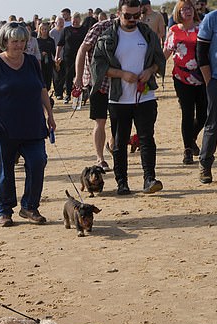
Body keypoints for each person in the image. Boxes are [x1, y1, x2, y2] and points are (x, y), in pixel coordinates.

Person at [0, 22, 55, 227]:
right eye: (14, 41)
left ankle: (30, 206)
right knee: (4, 170)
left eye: (22, 41)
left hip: (33, 124)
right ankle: (4, 209)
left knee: (38, 161)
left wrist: (50, 115)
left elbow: (42, 89)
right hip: (3, 127)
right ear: (5, 42)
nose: (19, 45)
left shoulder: (31, 62)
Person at [92, 0, 166, 195]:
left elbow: (159, 59)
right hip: (118, 98)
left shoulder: (147, 33)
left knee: (146, 138)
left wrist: (150, 70)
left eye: (136, 15)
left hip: (146, 96)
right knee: (120, 141)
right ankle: (122, 182)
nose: (132, 19)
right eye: (128, 16)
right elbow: (97, 66)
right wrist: (121, 74)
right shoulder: (108, 36)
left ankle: (149, 179)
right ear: (118, 13)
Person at [164, 0, 206, 165]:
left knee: (203, 115)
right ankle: (187, 149)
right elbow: (166, 52)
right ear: (178, 13)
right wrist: (154, 68)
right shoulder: (173, 30)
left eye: (189, 8)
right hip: (181, 77)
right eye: (183, 9)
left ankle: (192, 136)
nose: (187, 11)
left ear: (193, 10)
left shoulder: (201, 27)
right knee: (187, 113)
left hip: (202, 76)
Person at [74, 17, 115, 171]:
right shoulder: (101, 27)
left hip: (120, 82)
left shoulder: (135, 28)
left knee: (120, 121)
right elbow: (82, 49)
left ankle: (112, 145)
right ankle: (100, 159)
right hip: (98, 82)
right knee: (100, 121)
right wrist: (78, 76)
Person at [196, 0, 217, 183]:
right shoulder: (212, 19)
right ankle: (205, 164)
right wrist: (210, 82)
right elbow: (201, 53)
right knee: (214, 126)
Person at [55, 12, 87, 104]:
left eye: (76, 21)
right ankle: (68, 94)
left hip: (81, 57)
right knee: (69, 76)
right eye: (73, 21)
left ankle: (81, 94)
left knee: (81, 75)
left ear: (79, 20)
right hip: (68, 57)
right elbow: (60, 44)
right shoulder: (66, 30)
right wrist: (57, 56)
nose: (75, 23)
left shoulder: (84, 30)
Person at [49, 16, 66, 99]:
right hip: (54, 57)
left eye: (62, 22)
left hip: (64, 57)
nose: (61, 24)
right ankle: (58, 92)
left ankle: (62, 92)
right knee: (56, 76)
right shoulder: (51, 33)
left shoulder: (66, 31)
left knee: (63, 75)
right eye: (59, 23)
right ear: (55, 23)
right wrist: (55, 57)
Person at [37, 22, 56, 90]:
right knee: (42, 79)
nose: (44, 31)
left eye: (46, 29)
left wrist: (56, 61)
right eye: (43, 29)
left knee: (48, 80)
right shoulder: (37, 40)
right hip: (40, 62)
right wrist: (41, 54)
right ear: (40, 30)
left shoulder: (51, 40)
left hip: (49, 62)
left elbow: (54, 52)